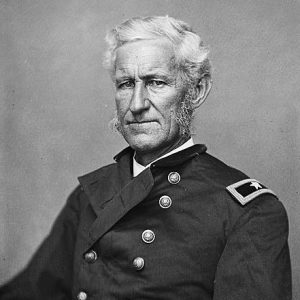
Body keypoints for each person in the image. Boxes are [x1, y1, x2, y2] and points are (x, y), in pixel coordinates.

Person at [0, 16, 292, 300]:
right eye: (126, 84)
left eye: (156, 82)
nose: (137, 104)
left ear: (196, 91)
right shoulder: (89, 195)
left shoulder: (247, 211)